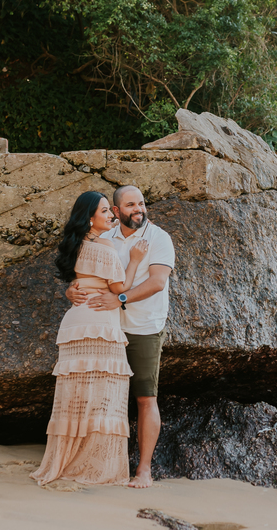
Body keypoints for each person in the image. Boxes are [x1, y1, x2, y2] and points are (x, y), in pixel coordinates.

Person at [31, 191, 147, 486]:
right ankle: (96, 467)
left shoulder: (75, 246)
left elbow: (77, 280)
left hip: (75, 323)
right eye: (105, 211)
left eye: (110, 210)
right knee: (104, 396)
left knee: (76, 396)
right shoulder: (105, 247)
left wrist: (71, 289)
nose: (111, 215)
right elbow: (120, 287)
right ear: (90, 218)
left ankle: (67, 461)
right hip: (99, 323)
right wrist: (135, 260)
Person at [67, 185, 175, 488]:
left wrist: (120, 299)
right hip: (108, 326)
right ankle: (96, 461)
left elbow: (157, 282)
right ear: (116, 210)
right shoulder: (105, 236)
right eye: (130, 205)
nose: (138, 209)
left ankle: (144, 470)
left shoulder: (159, 238)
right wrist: (71, 290)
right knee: (101, 397)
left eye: (141, 203)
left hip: (143, 327)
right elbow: (88, 275)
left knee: (145, 397)